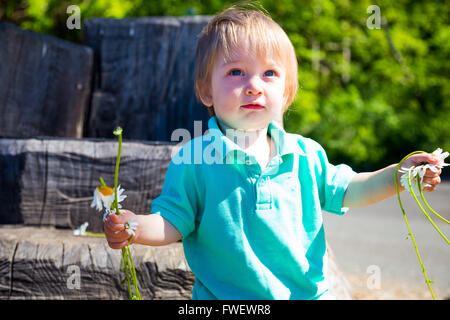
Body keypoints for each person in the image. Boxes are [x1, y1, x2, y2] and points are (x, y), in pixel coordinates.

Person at [103, 6, 443, 299]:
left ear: (287, 93)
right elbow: (171, 223)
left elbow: (353, 188)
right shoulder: (194, 159)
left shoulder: (305, 155)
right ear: (206, 90)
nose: (253, 85)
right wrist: (134, 226)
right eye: (235, 72)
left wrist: (401, 174)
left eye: (269, 73)